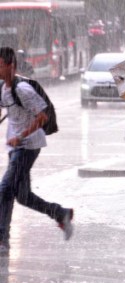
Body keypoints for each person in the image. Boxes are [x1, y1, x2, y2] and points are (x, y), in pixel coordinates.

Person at [0, 47, 73, 255]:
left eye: (0, 65)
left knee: (5, 189)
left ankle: (2, 240)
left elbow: (42, 117)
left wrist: (21, 136)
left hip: (28, 146)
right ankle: (61, 213)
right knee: (22, 196)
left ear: (11, 66)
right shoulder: (2, 88)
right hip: (15, 147)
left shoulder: (23, 89)